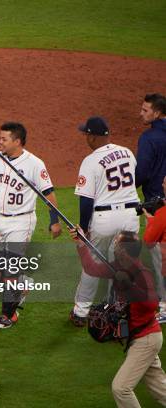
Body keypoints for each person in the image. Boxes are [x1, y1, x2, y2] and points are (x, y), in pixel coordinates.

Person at [69, 227, 166, 408]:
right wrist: (81, 243)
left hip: (146, 339)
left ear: (125, 251)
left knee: (121, 388)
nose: (114, 245)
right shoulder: (118, 267)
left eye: (117, 243)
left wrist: (130, 285)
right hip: (140, 338)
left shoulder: (141, 273)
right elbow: (92, 269)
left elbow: (152, 305)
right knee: (160, 388)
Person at [0, 122, 61, 329]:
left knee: (11, 268)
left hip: (21, 221)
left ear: (17, 141)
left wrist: (54, 221)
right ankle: (22, 284)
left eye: (4, 139)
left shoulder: (35, 164)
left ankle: (10, 313)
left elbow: (49, 195)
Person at [70, 117, 140, 326]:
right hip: (130, 216)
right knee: (122, 264)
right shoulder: (127, 152)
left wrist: (83, 228)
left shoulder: (90, 161)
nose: (85, 138)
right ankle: (115, 311)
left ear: (92, 136)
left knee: (92, 264)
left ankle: (80, 313)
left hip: (104, 218)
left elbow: (86, 200)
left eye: (86, 134)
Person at [135, 93, 166, 321]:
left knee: (159, 258)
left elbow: (141, 172)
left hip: (158, 204)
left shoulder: (149, 138)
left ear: (157, 113)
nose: (141, 114)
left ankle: (164, 307)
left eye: (146, 110)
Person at [143, 176, 166, 323]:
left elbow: (148, 240)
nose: (162, 184)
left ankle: (165, 311)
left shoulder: (162, 213)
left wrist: (151, 220)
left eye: (164, 182)